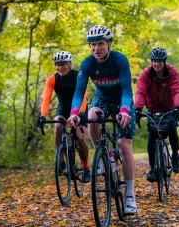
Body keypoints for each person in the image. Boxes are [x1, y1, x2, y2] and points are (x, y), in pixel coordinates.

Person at [67, 25, 137, 215]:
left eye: (100, 44)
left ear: (109, 44)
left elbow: (127, 90)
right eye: (92, 45)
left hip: (123, 101)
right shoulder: (87, 63)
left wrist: (124, 110)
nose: (95, 48)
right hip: (102, 100)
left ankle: (130, 196)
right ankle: (101, 154)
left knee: (124, 146)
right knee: (91, 116)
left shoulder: (120, 60)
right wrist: (74, 112)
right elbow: (79, 91)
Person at [37, 51, 91, 183]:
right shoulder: (52, 79)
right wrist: (43, 115)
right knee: (57, 127)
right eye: (57, 64)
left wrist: (81, 113)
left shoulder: (78, 76)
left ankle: (85, 167)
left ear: (69, 63)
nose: (59, 67)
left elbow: (83, 96)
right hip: (63, 109)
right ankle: (61, 158)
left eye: (62, 64)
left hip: (79, 109)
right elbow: (46, 99)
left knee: (79, 138)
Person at [134, 47, 179, 182]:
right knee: (151, 138)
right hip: (152, 109)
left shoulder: (172, 72)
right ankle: (153, 169)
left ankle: (175, 156)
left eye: (160, 61)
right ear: (151, 61)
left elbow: (177, 91)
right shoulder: (146, 74)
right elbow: (140, 91)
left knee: (172, 129)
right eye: (154, 61)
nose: (156, 64)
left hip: (169, 109)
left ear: (164, 62)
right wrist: (138, 108)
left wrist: (178, 107)